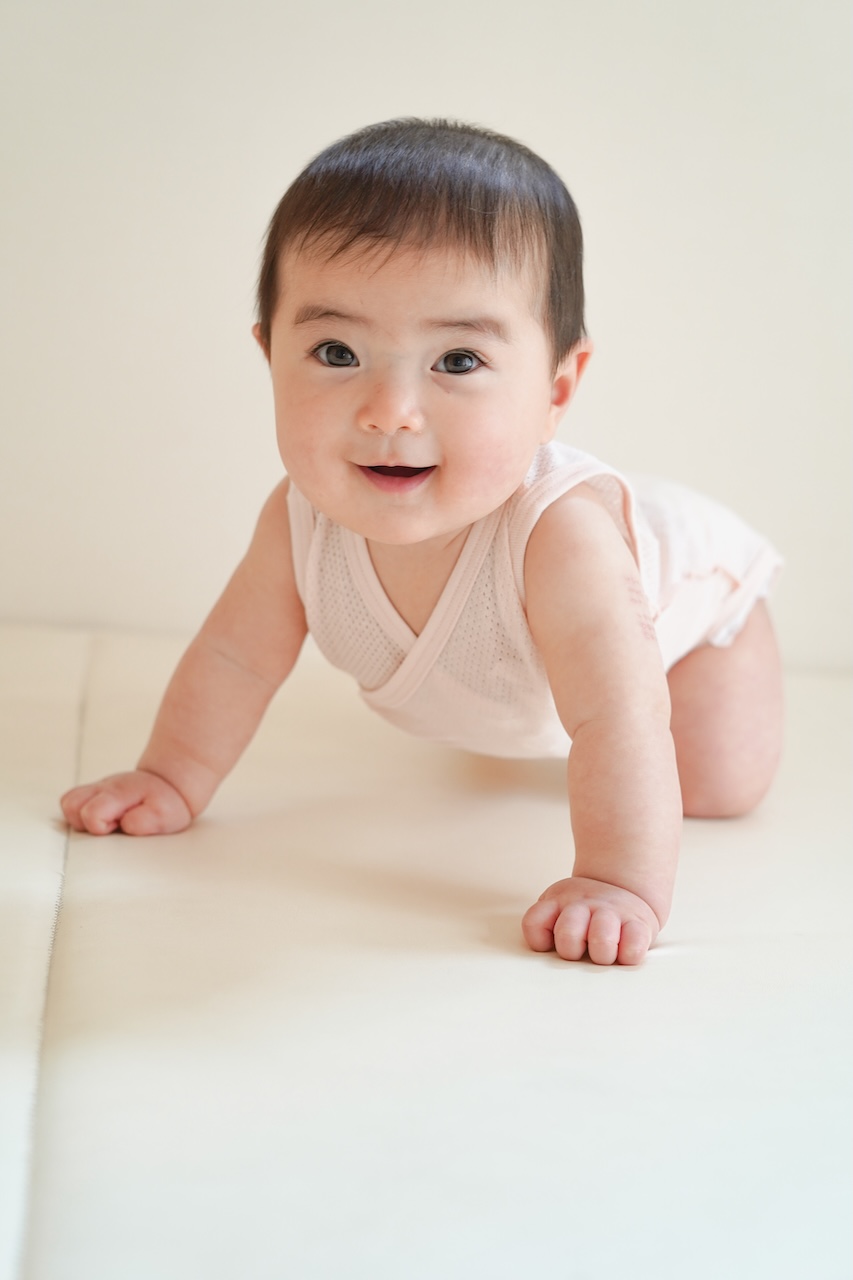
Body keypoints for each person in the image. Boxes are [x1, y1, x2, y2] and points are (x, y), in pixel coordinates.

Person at [60, 118, 784, 966]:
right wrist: (170, 775)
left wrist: (616, 881)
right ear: (270, 356)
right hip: (516, 691)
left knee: (716, 785)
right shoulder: (299, 518)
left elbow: (618, 717)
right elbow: (234, 660)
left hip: (698, 602)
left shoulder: (562, 541)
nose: (390, 412)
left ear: (556, 388)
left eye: (458, 361)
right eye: (337, 352)